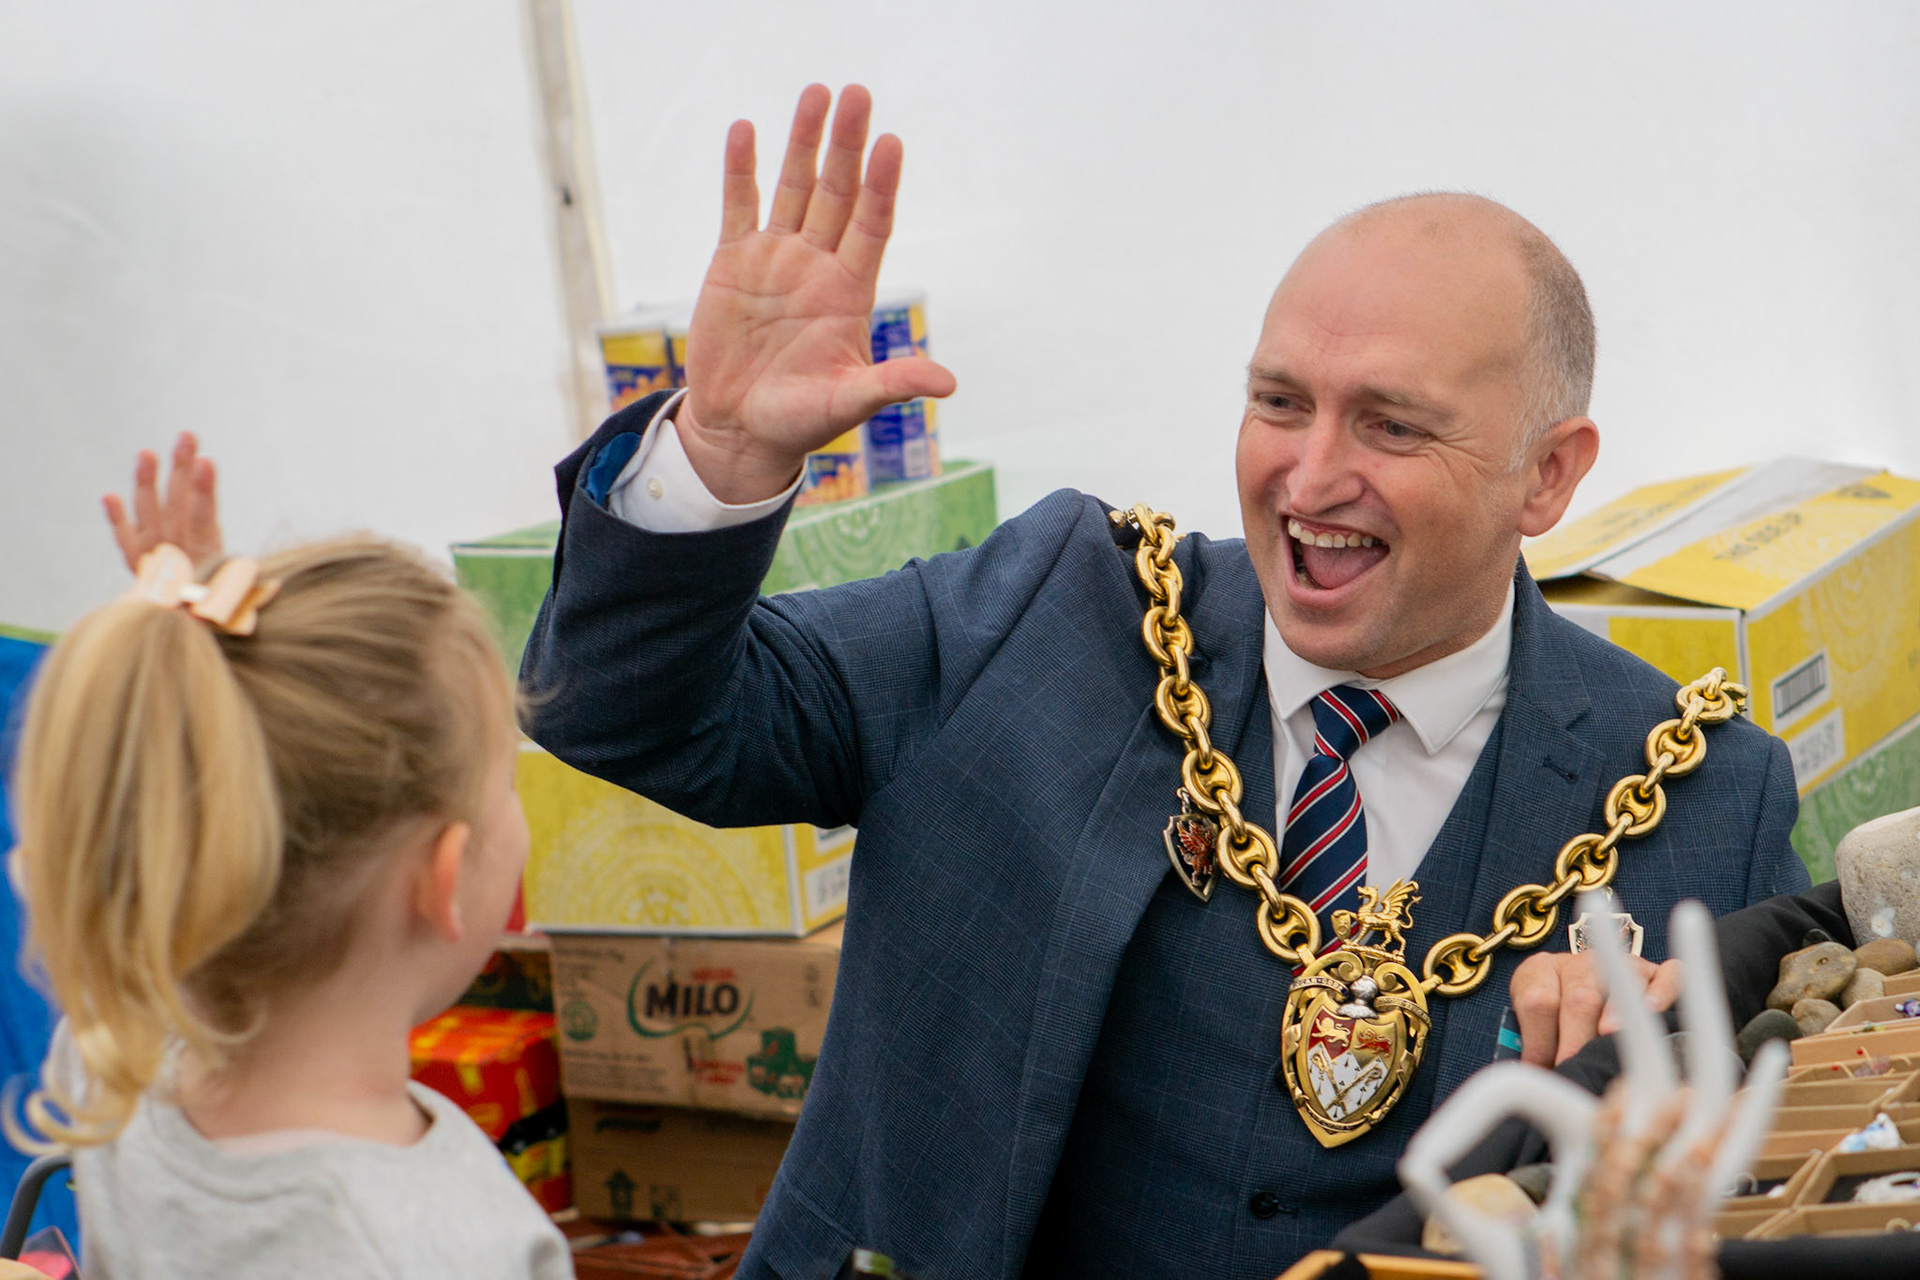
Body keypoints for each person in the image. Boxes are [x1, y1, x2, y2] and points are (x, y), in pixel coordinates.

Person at [519, 84, 1814, 1276]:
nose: (1310, 478)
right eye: (1280, 403)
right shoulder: (1053, 613)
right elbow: (627, 713)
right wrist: (720, 451)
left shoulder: (1702, 794)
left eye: (1391, 423)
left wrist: (1630, 1092)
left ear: (1548, 473)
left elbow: (1762, 1186)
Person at [11, 455, 572, 1279]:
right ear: (443, 878)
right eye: (505, 787)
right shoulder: (451, 1250)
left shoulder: (115, 1065)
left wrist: (198, 693)